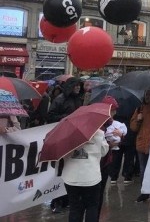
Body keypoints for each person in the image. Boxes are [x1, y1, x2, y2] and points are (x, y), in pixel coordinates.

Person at [48, 77, 83, 213]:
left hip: (73, 137)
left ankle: (68, 198)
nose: (78, 88)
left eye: (79, 86)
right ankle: (56, 200)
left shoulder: (78, 100)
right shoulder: (60, 99)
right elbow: (50, 115)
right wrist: (65, 117)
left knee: (71, 168)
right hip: (61, 137)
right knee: (61, 169)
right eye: (76, 86)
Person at [62, 127, 109, 222]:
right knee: (92, 207)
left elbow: (61, 154)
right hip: (91, 177)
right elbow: (104, 152)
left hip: (71, 177)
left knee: (75, 208)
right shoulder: (98, 133)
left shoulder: (65, 133)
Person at [130, 90, 150, 203]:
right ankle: (145, 192)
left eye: (149, 94)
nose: (147, 97)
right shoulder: (140, 108)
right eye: (146, 94)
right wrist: (138, 120)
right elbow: (133, 127)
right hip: (142, 144)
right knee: (143, 170)